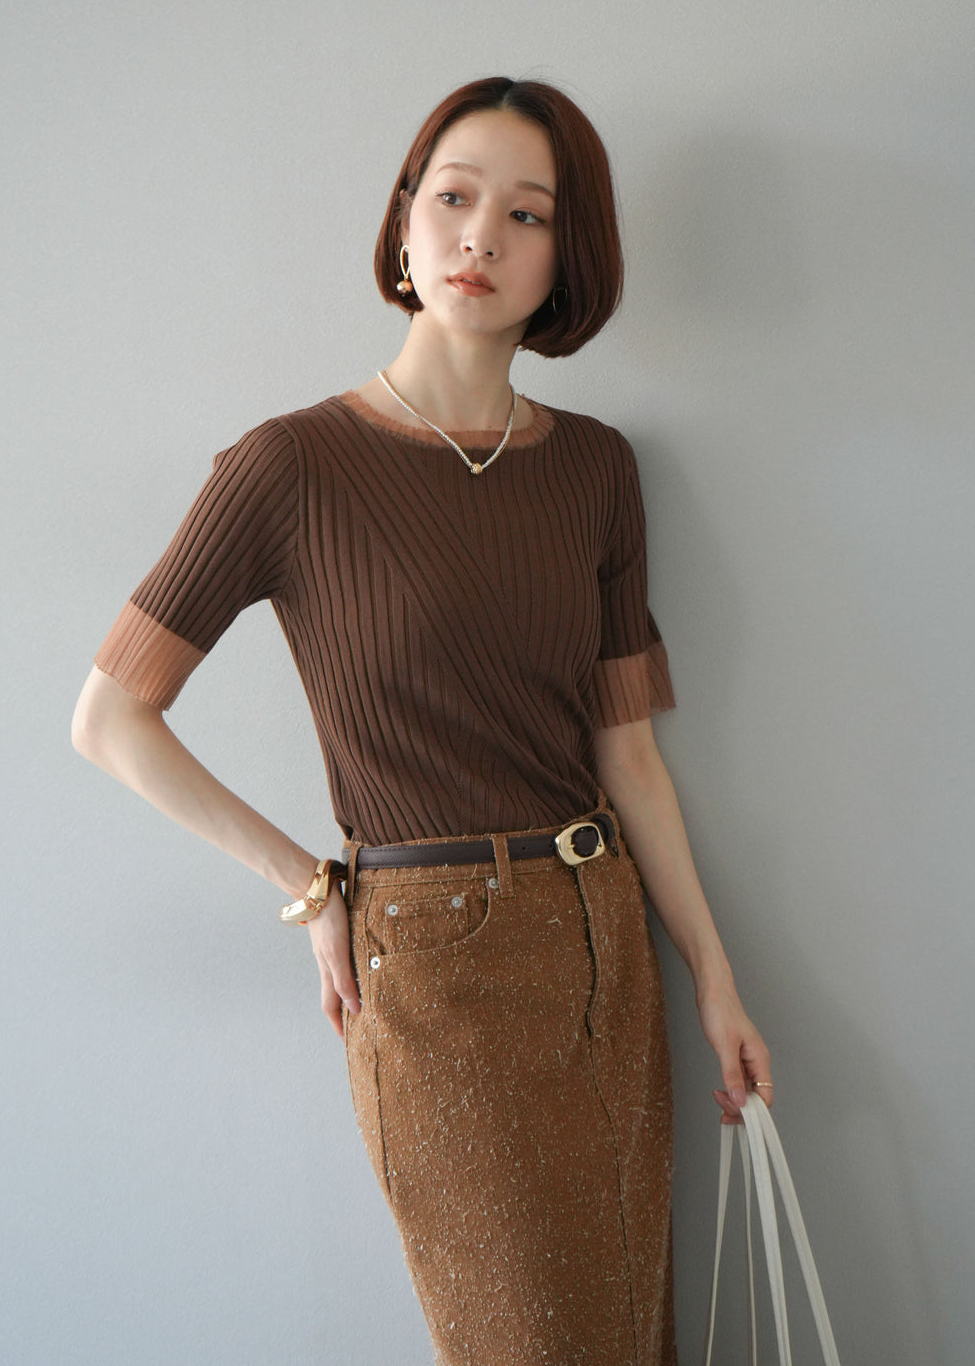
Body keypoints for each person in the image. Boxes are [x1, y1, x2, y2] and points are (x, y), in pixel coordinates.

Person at [72, 76, 771, 1366]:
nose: (480, 237)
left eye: (527, 214)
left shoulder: (597, 467)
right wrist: (307, 887)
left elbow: (628, 755)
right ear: (404, 222)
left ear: (566, 258)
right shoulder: (288, 465)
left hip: (604, 942)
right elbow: (113, 716)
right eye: (453, 198)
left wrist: (715, 978)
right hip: (436, 963)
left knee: (630, 1336)